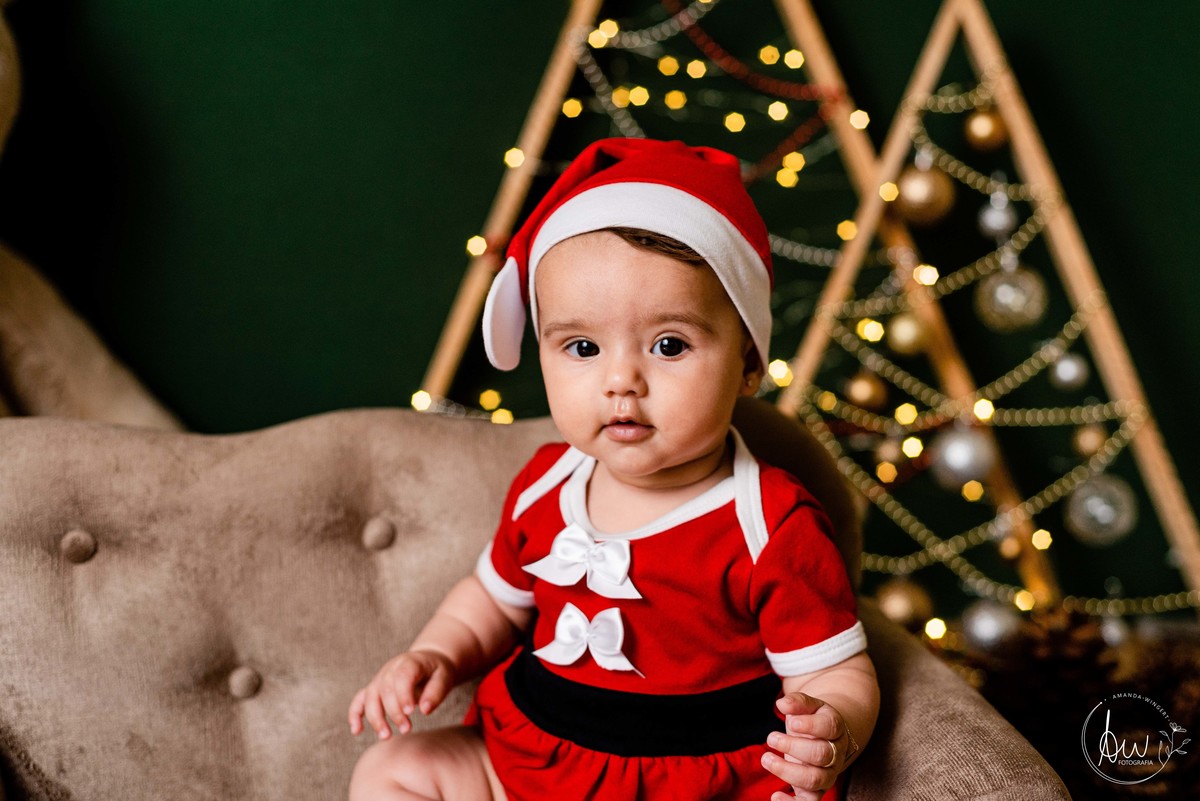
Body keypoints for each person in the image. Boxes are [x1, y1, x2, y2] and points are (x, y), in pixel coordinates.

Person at [347, 137, 879, 801]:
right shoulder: (546, 483)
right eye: (582, 346)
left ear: (747, 362)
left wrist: (831, 728)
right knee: (390, 772)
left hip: (690, 780)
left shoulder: (768, 522)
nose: (621, 379)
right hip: (529, 757)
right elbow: (492, 598)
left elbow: (835, 671)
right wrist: (436, 653)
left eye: (669, 344)